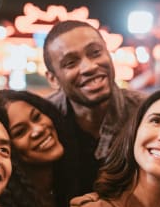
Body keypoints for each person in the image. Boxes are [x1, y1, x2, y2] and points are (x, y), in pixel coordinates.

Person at [42, 20, 146, 195]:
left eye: (95, 53)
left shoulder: (146, 112)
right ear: (53, 79)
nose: (89, 67)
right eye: (71, 63)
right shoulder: (42, 120)